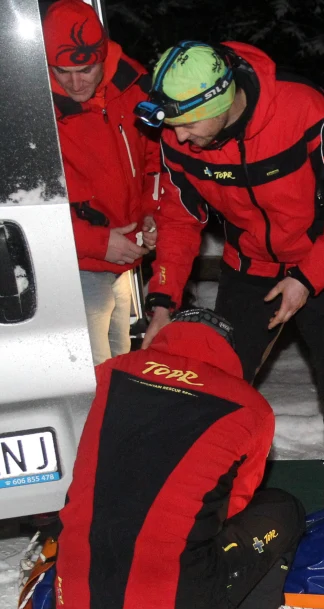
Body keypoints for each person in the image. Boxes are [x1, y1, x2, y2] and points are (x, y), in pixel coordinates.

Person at [138, 41, 324, 508]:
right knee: (218, 392)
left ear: (218, 101)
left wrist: (307, 278)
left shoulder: (306, 112)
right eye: (172, 126)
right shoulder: (179, 135)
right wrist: (163, 301)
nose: (180, 138)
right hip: (249, 268)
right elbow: (178, 220)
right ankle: (207, 509)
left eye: (189, 124)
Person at [54, 308, 307, 609]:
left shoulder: (108, 375)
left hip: (77, 603)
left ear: (162, 335)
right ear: (229, 352)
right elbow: (234, 506)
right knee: (282, 510)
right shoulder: (249, 407)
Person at [42, 0, 159, 364]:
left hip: (124, 259)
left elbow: (155, 160)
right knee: (90, 372)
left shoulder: (133, 87)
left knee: (120, 360)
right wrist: (94, 242)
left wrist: (151, 215)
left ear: (102, 56)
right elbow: (21, 209)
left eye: (85, 69)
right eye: (61, 71)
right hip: (74, 262)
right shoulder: (34, 111)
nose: (74, 83)